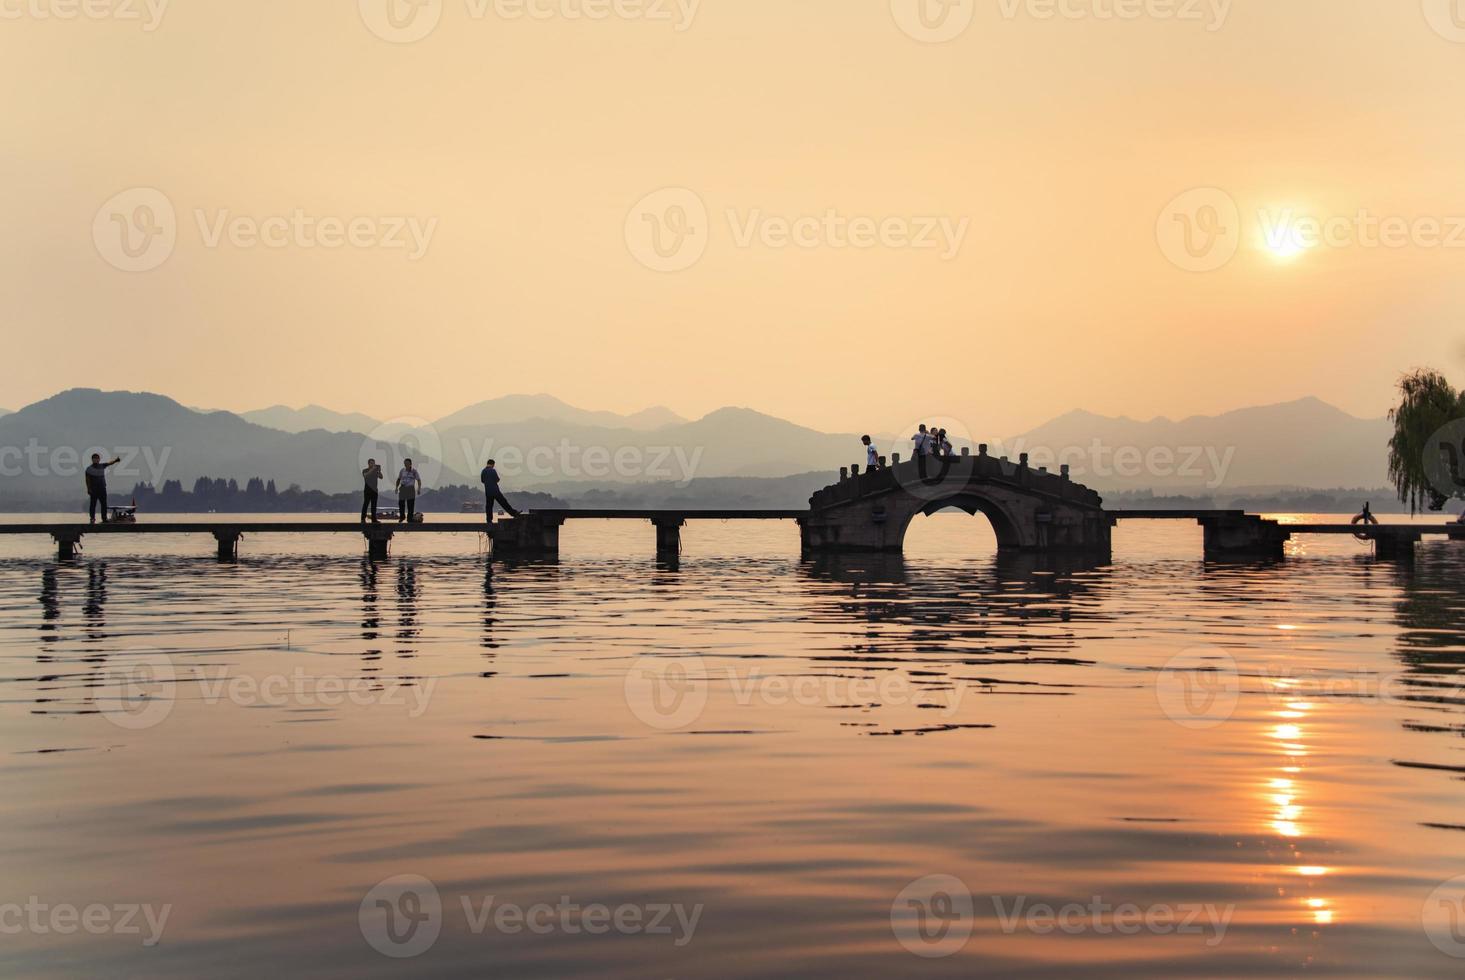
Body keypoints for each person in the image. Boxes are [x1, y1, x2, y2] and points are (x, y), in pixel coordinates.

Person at [84, 453, 121, 524]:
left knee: (104, 504)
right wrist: (88, 489)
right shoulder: (89, 469)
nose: (96, 460)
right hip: (94, 490)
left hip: (102, 489)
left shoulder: (102, 465)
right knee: (93, 505)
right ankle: (92, 519)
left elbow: (109, 463)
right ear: (92, 460)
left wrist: (116, 460)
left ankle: (104, 519)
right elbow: (87, 480)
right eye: (94, 458)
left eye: (97, 458)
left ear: (99, 459)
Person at [395, 458, 422, 523]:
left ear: (410, 464)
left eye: (407, 463)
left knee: (410, 504)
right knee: (401, 503)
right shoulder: (402, 470)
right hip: (403, 488)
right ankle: (402, 517)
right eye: (405, 463)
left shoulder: (414, 471)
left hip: (410, 489)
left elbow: (418, 480)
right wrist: (396, 487)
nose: (406, 464)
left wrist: (419, 488)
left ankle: (409, 518)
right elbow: (398, 479)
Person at [361, 459, 383, 523]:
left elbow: (381, 477)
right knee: (366, 504)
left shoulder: (376, 471)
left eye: (373, 463)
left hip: (374, 490)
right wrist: (372, 469)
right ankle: (363, 518)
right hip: (367, 490)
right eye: (371, 463)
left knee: (374, 505)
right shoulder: (365, 470)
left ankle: (374, 519)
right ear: (368, 464)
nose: (373, 464)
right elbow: (365, 475)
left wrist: (379, 471)